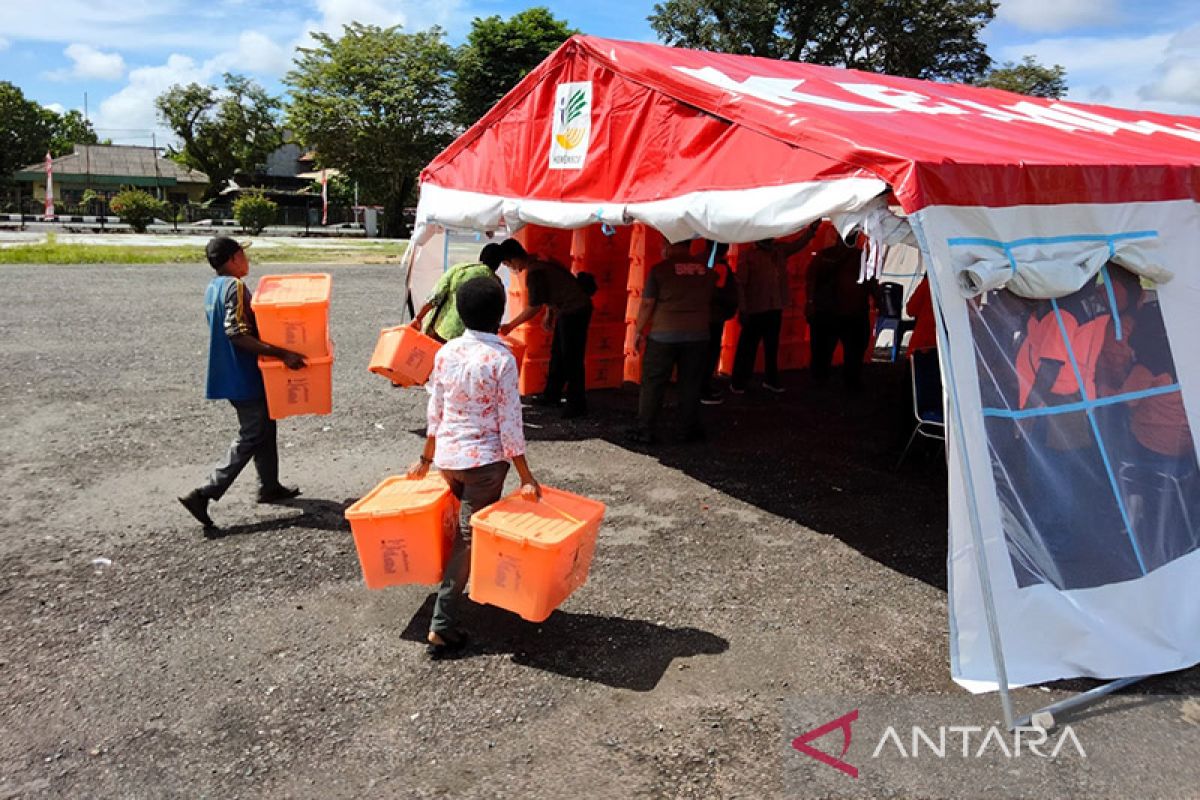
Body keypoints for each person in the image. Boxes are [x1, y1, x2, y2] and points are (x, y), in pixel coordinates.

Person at [408, 276, 541, 657]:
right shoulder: (501, 358)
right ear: (501, 312)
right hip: (484, 463)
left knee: (462, 534)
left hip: (449, 459)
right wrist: (527, 477)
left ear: (460, 313)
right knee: (468, 540)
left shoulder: (446, 353)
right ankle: (443, 625)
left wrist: (426, 458)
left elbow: (436, 411)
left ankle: (471, 595)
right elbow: (509, 423)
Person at [178, 237, 306, 532]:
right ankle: (204, 493)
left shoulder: (213, 287)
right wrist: (281, 352)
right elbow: (236, 333)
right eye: (243, 255)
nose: (247, 261)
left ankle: (269, 486)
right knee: (252, 433)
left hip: (231, 372)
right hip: (243, 372)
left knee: (265, 425)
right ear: (234, 258)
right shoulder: (234, 286)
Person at [628, 240, 717, 444]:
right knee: (690, 384)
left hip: (664, 335)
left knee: (653, 382)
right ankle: (688, 429)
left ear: (670, 245)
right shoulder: (706, 270)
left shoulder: (660, 270)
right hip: (698, 334)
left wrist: (638, 330)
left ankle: (645, 430)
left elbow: (647, 304)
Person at [498, 239, 593, 418]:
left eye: (507, 263)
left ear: (514, 259)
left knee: (572, 358)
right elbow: (553, 288)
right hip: (568, 307)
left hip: (574, 309)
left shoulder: (534, 273)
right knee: (558, 354)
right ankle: (552, 395)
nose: (510, 268)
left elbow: (534, 306)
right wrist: (550, 313)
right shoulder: (539, 260)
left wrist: (510, 325)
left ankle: (577, 405)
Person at [730, 222, 820, 394]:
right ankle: (739, 382)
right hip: (755, 309)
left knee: (771, 347)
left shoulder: (778, 251)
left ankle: (770, 380)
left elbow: (798, 245)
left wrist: (811, 231)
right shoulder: (748, 256)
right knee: (747, 348)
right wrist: (742, 309)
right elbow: (740, 284)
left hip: (773, 307)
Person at [805, 232, 876, 388]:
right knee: (848, 351)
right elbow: (871, 281)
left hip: (833, 312)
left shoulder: (826, 256)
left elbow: (810, 279)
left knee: (827, 352)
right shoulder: (858, 257)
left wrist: (810, 303)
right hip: (840, 312)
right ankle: (844, 381)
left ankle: (824, 381)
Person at [410, 243, 505, 343]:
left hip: (442, 332)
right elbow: (497, 317)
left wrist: (418, 318)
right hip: (472, 341)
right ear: (498, 265)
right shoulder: (496, 283)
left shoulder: (459, 269)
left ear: (480, 257)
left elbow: (434, 297)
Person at [701, 242, 739, 404]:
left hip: (700, 316)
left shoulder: (698, 260)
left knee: (701, 353)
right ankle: (704, 389)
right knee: (709, 354)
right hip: (713, 316)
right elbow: (718, 289)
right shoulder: (719, 266)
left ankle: (700, 387)